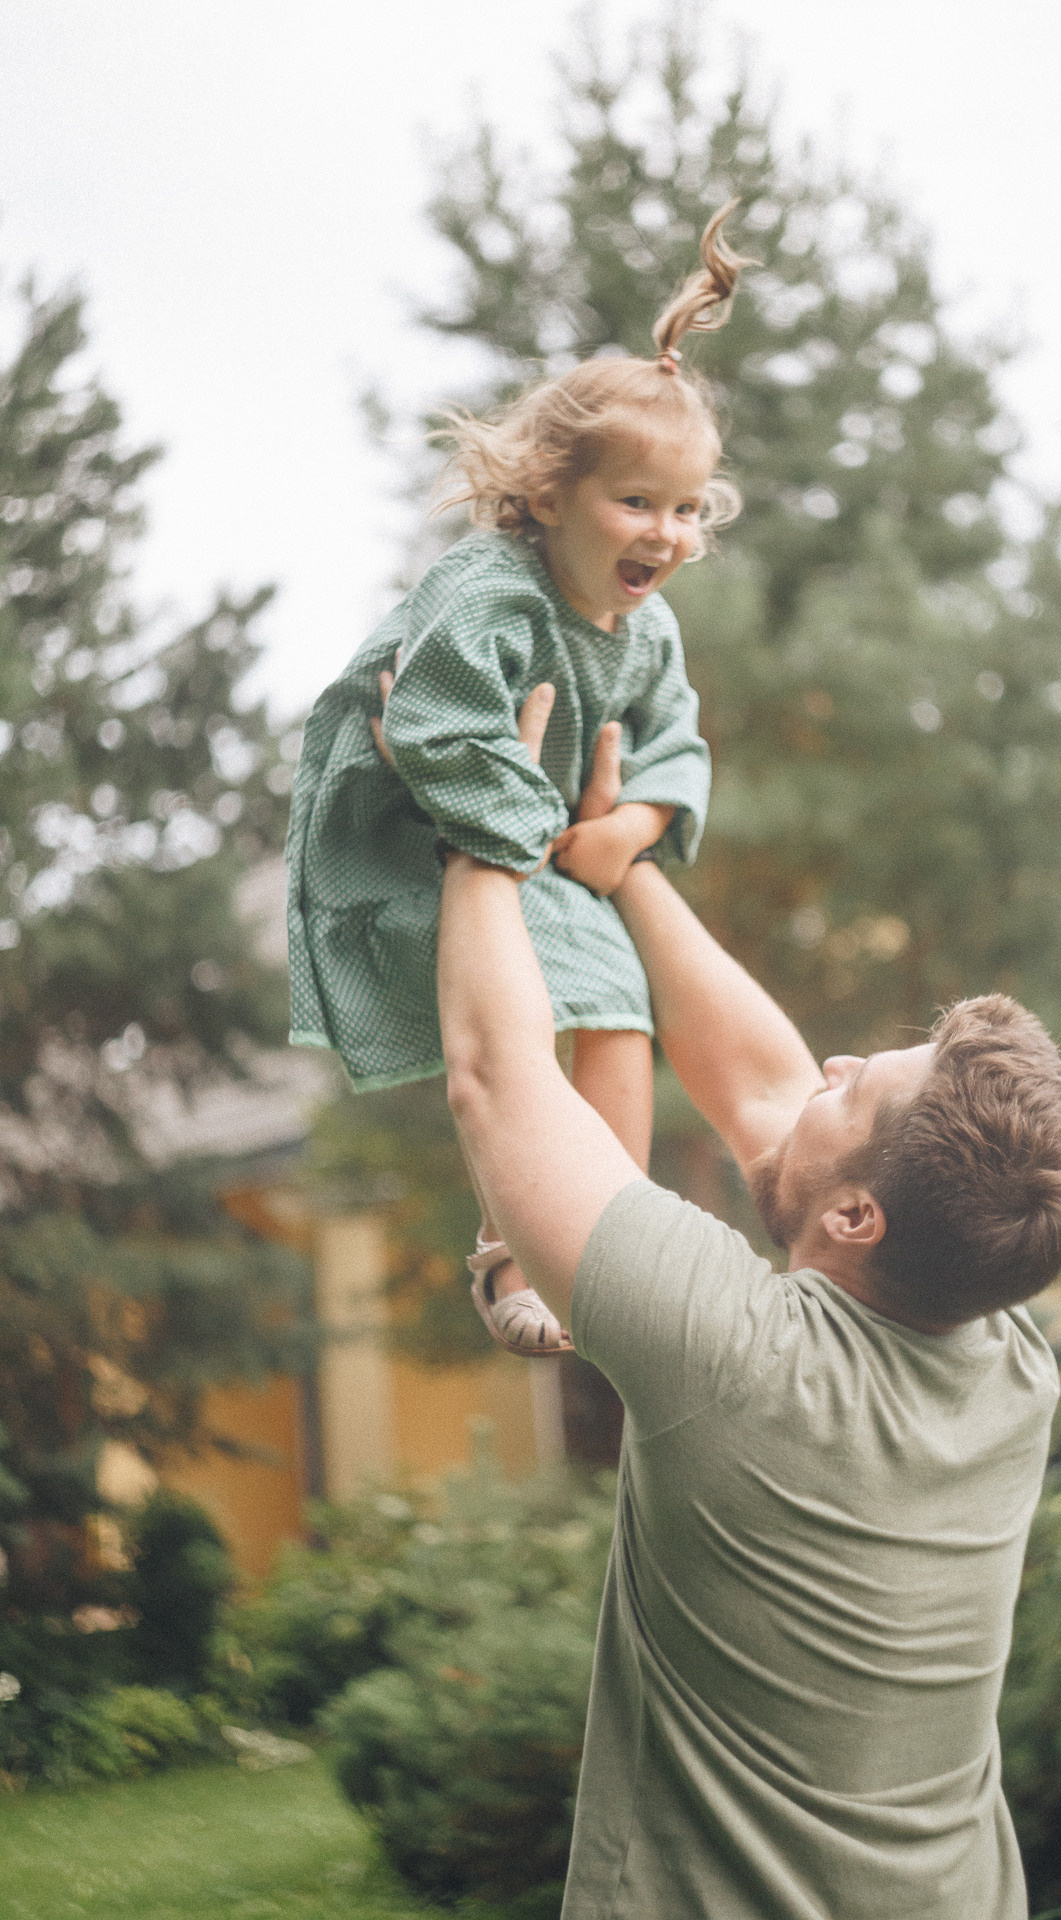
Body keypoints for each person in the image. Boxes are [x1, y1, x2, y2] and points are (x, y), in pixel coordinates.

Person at [434, 687, 1061, 1919]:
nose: (832, 1064)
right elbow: (766, 1092)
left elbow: (495, 1077)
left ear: (857, 1220)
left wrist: (478, 819)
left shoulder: (734, 1357)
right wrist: (624, 867)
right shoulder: (1004, 1352)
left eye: (857, 1086)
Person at [285, 202, 754, 1355]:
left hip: (540, 847)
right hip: (416, 838)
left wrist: (631, 825)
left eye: (686, 509)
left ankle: (609, 1235)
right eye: (635, 502)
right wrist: (542, 824)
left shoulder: (646, 638)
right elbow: (432, 727)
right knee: (522, 1019)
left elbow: (676, 744)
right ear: (547, 496)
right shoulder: (489, 592)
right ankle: (509, 1258)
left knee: (620, 1011)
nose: (668, 533)